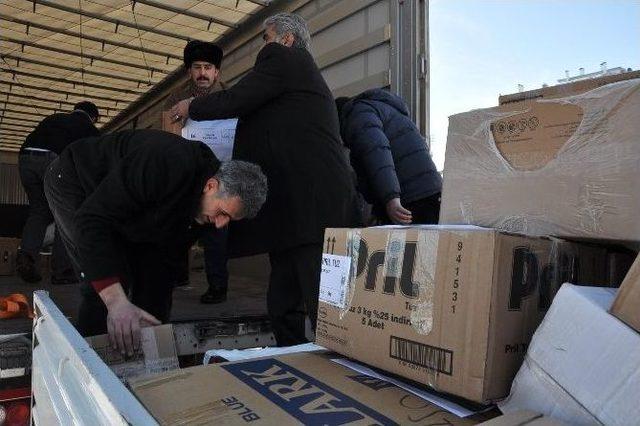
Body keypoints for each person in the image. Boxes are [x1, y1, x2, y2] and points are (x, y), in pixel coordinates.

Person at [169, 13, 361, 346]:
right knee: (285, 296)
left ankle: (341, 366)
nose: (263, 45)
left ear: (286, 39)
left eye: (265, 37)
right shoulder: (300, 75)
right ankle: (295, 355)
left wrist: (192, 107)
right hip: (297, 207)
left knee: (318, 299)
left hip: (309, 205)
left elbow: (238, 99)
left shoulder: (285, 58)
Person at [43, 129, 267, 355]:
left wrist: (155, 331)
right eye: (222, 213)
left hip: (127, 202)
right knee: (106, 279)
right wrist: (116, 302)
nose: (220, 224)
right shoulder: (166, 161)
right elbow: (93, 220)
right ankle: (89, 363)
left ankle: (142, 358)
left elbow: (163, 266)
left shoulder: (201, 208)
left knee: (152, 275)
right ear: (211, 186)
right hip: (76, 181)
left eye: (229, 220)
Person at [164, 40, 230, 304]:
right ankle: (177, 277)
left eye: (208, 67)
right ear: (189, 71)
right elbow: (168, 133)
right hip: (186, 175)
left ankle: (218, 287)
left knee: (217, 234)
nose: (203, 73)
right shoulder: (175, 99)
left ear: (217, 72)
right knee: (178, 229)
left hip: (220, 177)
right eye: (197, 67)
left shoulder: (229, 96)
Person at [16, 101, 100, 285]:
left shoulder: (54, 118)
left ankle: (27, 255)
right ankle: (63, 271)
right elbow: (94, 162)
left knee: (39, 211)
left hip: (25, 159)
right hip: (51, 161)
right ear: (93, 117)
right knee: (65, 213)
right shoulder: (89, 128)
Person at [335, 89, 442, 225]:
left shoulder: (356, 114)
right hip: (430, 191)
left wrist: (391, 198)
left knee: (409, 245)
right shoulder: (382, 109)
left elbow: (376, 150)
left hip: (413, 198)